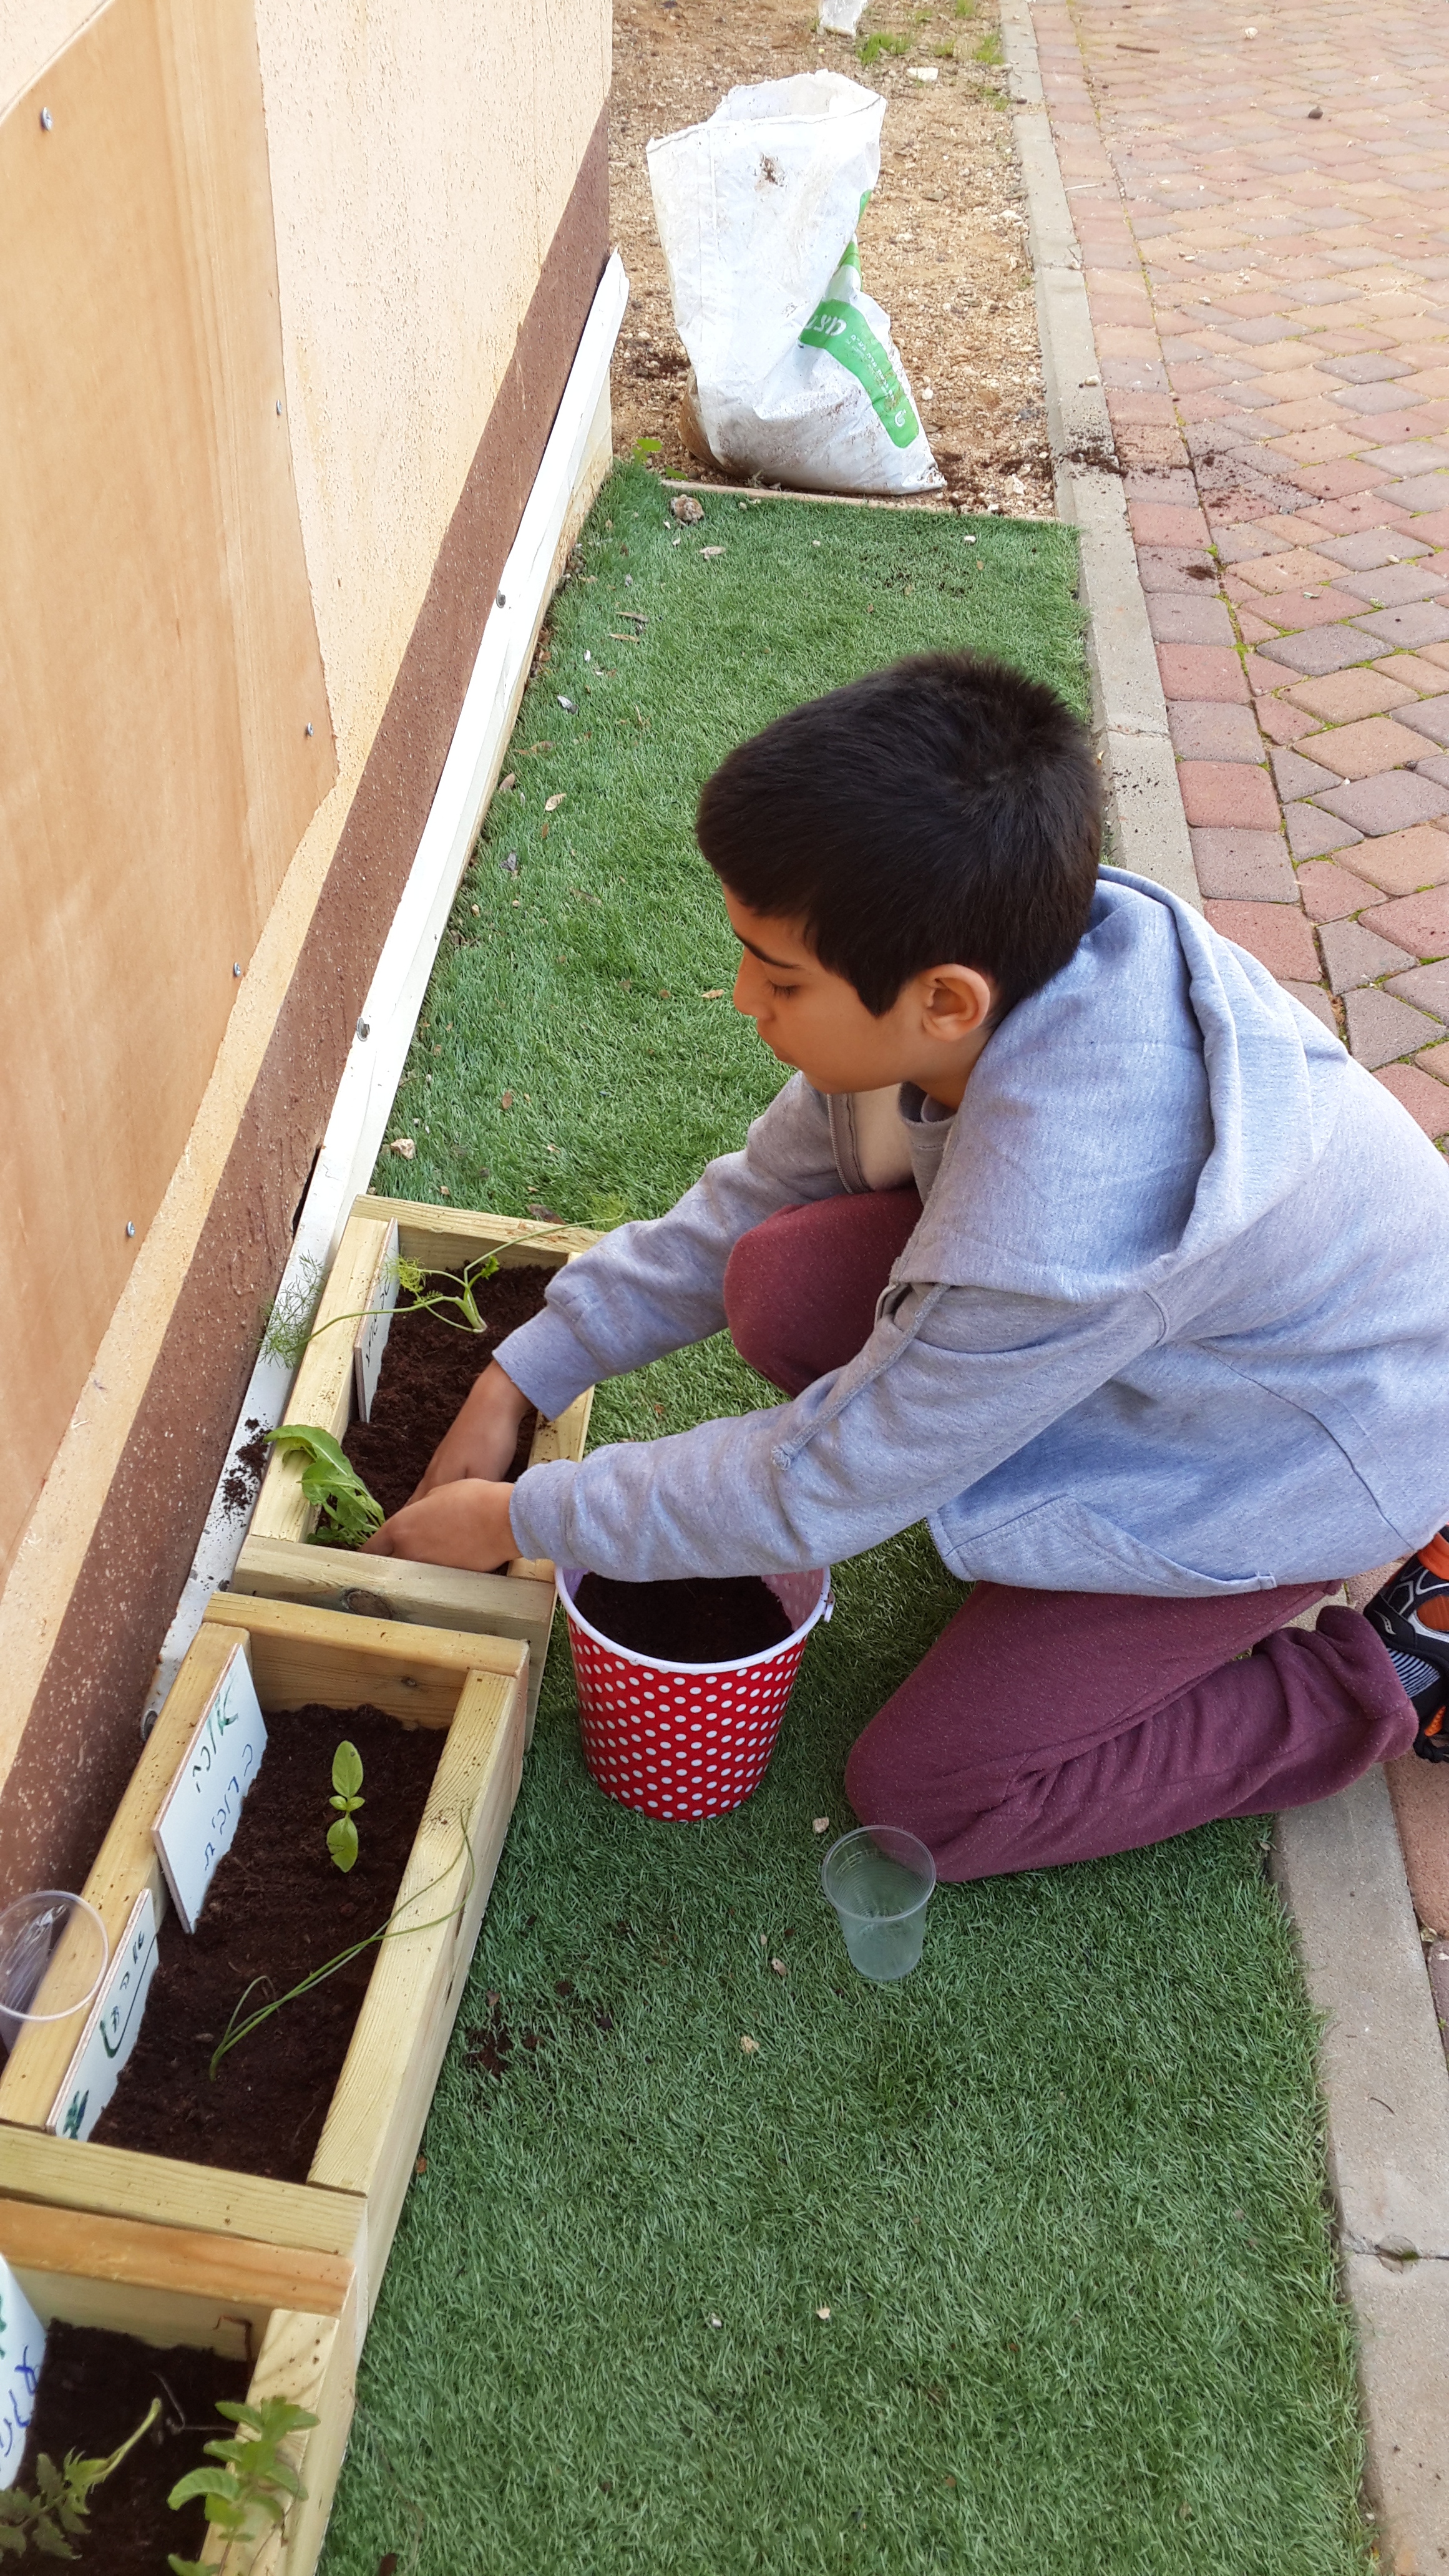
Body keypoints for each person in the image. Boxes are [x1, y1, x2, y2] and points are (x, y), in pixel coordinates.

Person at [363, 650, 1449, 1878]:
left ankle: (1393, 1673)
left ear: (943, 1001)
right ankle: (995, 1449)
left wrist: (520, 1516)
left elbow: (826, 1482)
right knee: (779, 1282)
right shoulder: (986, 966)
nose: (743, 999)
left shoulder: (1065, 1219)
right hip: (1184, 1348)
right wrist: (522, 1373)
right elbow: (752, 1198)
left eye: (781, 978)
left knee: (930, 1796)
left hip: (1299, 1454)